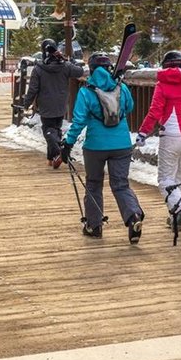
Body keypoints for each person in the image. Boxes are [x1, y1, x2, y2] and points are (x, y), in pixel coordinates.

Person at [61, 53, 144, 244]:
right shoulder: (121, 87)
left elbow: (79, 120)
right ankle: (133, 216)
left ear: (91, 70)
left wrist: (68, 143)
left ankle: (94, 225)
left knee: (94, 184)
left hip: (95, 146)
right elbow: (129, 107)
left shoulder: (86, 91)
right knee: (121, 184)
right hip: (121, 144)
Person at [136, 49, 181, 229]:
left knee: (165, 179)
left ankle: (180, 208)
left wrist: (143, 132)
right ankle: (176, 218)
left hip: (171, 135)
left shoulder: (162, 84)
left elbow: (155, 111)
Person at [22, 38, 85, 168]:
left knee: (48, 130)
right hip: (61, 104)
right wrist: (69, 61)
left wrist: (26, 103)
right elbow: (79, 72)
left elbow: (33, 89)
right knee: (56, 129)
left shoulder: (38, 69)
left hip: (45, 104)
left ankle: (58, 152)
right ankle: (52, 159)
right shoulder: (65, 66)